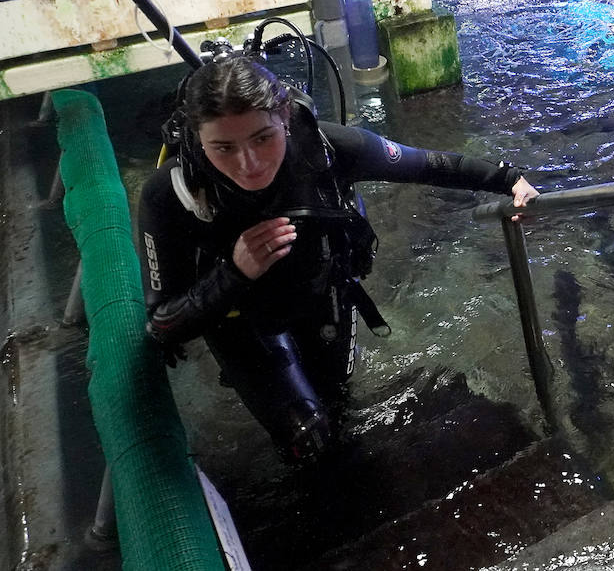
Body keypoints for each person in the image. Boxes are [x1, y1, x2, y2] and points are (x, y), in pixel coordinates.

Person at [137, 56, 538, 463]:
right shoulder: (170, 194)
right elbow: (162, 326)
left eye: (263, 138)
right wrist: (234, 272)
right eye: (223, 147)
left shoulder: (327, 148)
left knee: (339, 407)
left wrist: (508, 180)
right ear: (197, 138)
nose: (249, 163)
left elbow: (425, 164)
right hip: (241, 322)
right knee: (306, 437)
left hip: (324, 296)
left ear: (285, 118)